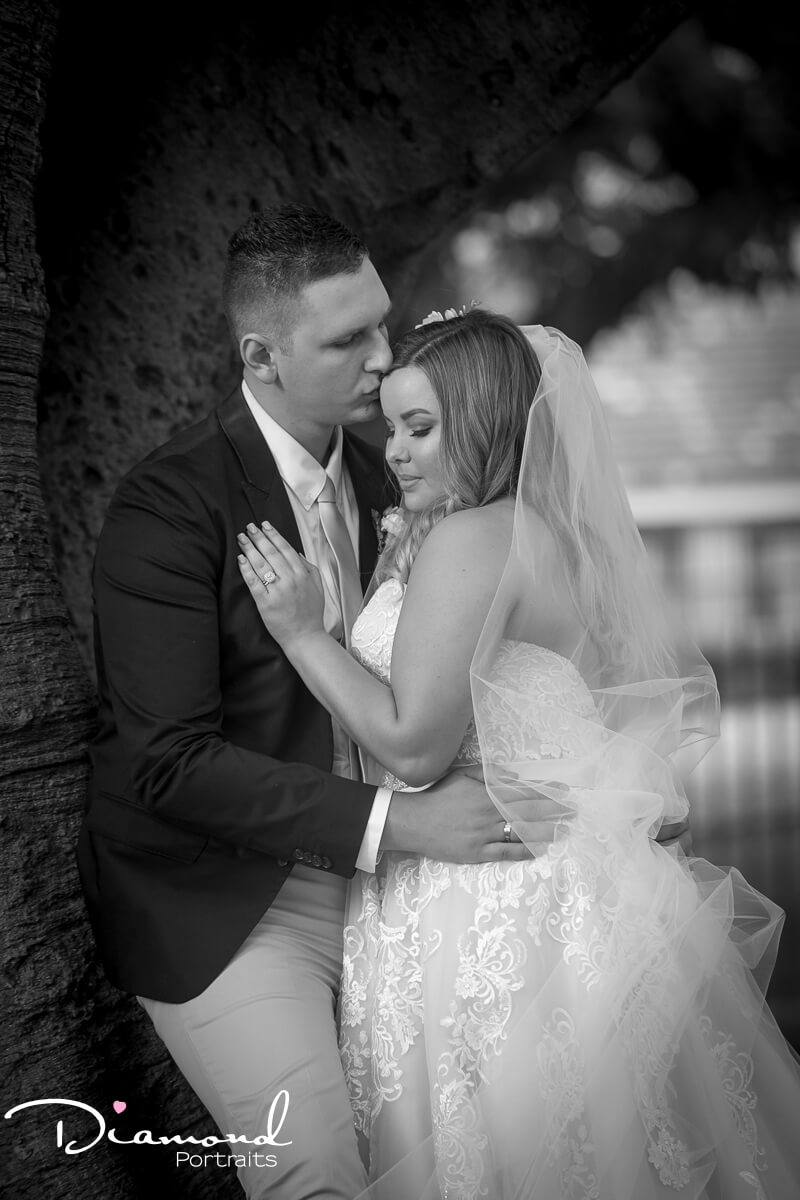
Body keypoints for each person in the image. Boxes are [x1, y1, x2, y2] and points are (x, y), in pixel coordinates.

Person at [238, 308, 800, 1198]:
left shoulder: (474, 538)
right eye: (392, 428)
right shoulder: (539, 533)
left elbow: (415, 749)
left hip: (486, 899)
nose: (395, 452)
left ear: (486, 424)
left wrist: (305, 636)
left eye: (420, 428)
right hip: (548, 882)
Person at [75, 207, 543, 1200]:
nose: (383, 358)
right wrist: (397, 822)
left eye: (383, 324)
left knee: (490, 1146)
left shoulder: (404, 476)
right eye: (346, 340)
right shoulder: (170, 505)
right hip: (235, 895)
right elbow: (165, 763)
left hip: (406, 883)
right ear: (261, 356)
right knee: (315, 1172)